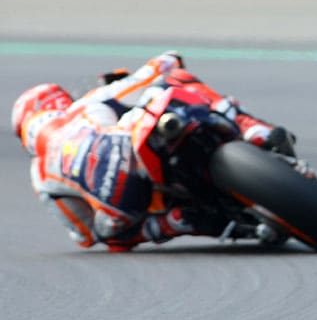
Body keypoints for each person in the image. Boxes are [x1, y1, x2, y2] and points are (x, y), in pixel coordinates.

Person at [11, 52, 297, 252]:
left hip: (122, 205)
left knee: (114, 235)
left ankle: (181, 223)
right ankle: (253, 129)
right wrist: (167, 59)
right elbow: (151, 75)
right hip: (129, 151)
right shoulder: (84, 105)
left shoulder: (40, 176)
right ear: (58, 101)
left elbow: (85, 236)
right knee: (178, 81)